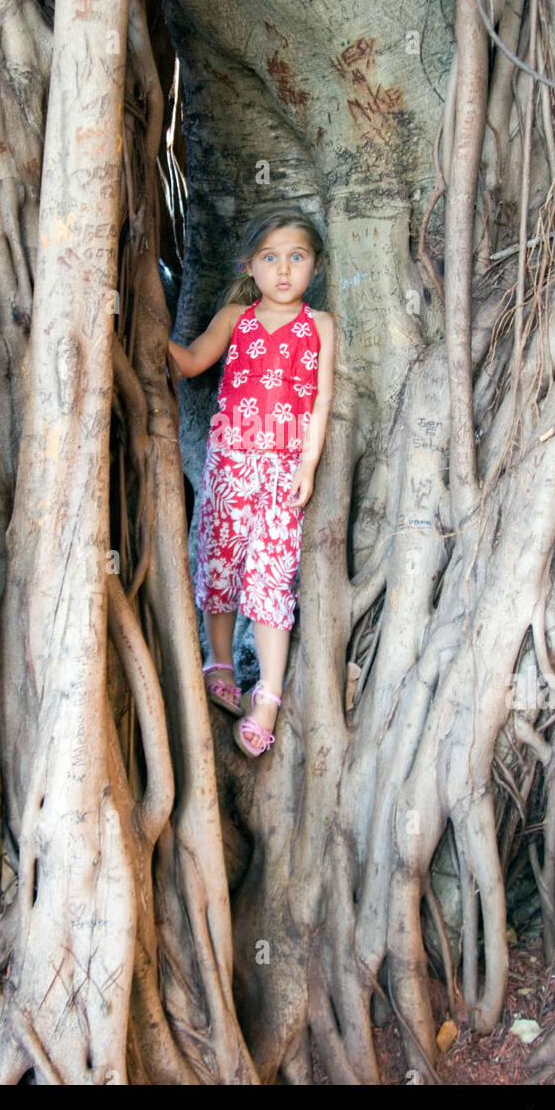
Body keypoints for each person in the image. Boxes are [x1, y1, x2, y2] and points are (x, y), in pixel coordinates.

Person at [168, 208, 334, 757]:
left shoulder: (320, 327)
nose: (283, 269)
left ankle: (266, 693)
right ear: (250, 266)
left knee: (271, 575)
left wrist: (307, 467)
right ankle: (218, 663)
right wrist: (148, 329)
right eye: (270, 257)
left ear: (314, 265)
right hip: (230, 461)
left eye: (297, 256)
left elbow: (321, 402)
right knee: (219, 556)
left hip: (284, 469)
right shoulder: (235, 317)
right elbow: (191, 363)